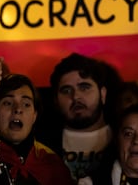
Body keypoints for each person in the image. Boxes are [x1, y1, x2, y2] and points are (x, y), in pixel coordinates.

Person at [40, 52, 123, 183]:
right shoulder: (40, 145)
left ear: (103, 94)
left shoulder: (125, 138)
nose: (76, 96)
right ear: (55, 100)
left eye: (84, 87)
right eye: (66, 90)